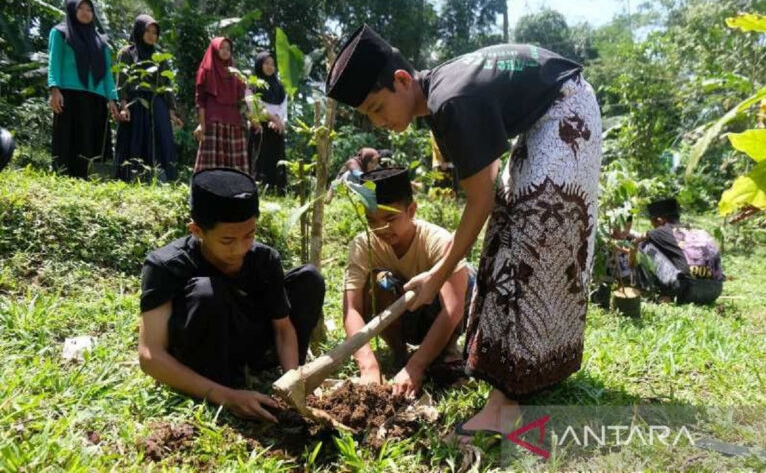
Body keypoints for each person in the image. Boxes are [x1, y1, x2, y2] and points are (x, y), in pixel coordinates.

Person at [326, 24, 602, 439]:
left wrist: (436, 275)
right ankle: (522, 377)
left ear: (401, 81)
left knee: (533, 235)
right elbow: (489, 199)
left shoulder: (450, 100)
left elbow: (480, 203)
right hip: (547, 115)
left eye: (378, 108)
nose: (380, 123)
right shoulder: (442, 95)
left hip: (566, 109)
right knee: (509, 232)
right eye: (370, 117)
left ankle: (506, 406)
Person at [138, 168, 325, 420]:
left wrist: (292, 378)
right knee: (206, 292)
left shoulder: (263, 259)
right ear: (196, 230)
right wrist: (226, 396)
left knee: (308, 279)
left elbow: (282, 327)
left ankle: (263, 370)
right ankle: (221, 380)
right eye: (227, 240)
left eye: (249, 235)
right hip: (203, 350)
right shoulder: (165, 265)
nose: (240, 249)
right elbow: (150, 355)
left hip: (247, 342)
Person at [343, 167, 473, 397]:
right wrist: (368, 366)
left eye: (391, 218)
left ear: (411, 210)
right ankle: (399, 353)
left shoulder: (438, 241)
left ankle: (444, 351)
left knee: (467, 277)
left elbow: (452, 309)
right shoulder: (363, 245)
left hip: (437, 315)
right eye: (371, 221)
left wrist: (417, 367)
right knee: (379, 282)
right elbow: (352, 308)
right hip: (401, 318)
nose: (381, 228)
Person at [48, 0, 119, 178]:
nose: (86, 13)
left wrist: (112, 98)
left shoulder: (101, 42)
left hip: (96, 97)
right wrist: (54, 90)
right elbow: (53, 63)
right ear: (72, 10)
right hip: (68, 95)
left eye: (89, 10)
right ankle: (63, 177)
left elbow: (107, 73)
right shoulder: (60, 33)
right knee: (68, 139)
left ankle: (88, 178)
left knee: (90, 140)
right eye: (81, 8)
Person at [114, 15, 183, 181]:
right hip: (135, 103)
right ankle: (133, 178)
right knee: (135, 139)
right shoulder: (127, 53)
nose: (152, 35)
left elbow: (167, 86)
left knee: (161, 140)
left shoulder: (160, 57)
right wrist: (124, 106)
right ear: (139, 31)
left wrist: (172, 113)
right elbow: (122, 82)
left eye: (155, 32)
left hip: (157, 104)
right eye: (147, 31)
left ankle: (162, 179)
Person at [635, 198, 725, 304]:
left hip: (688, 290)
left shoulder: (660, 232)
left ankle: (647, 292)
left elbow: (637, 241)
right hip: (715, 291)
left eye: (653, 223)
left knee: (644, 246)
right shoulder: (699, 231)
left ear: (660, 221)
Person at [194, 37, 248, 173]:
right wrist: (202, 124)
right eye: (222, 48)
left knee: (235, 168)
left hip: (234, 123)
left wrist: (252, 119)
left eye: (228, 49)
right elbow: (200, 101)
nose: (225, 51)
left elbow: (243, 100)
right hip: (214, 122)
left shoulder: (235, 73)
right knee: (211, 167)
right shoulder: (205, 70)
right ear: (215, 49)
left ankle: (234, 193)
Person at [250, 51, 288, 194]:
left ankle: (278, 190)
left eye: (272, 64)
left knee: (277, 158)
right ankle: (260, 189)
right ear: (259, 65)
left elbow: (284, 105)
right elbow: (255, 105)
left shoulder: (279, 86)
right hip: (260, 125)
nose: (269, 67)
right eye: (266, 63)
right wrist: (273, 119)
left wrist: (279, 120)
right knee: (260, 157)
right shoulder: (253, 84)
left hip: (276, 126)